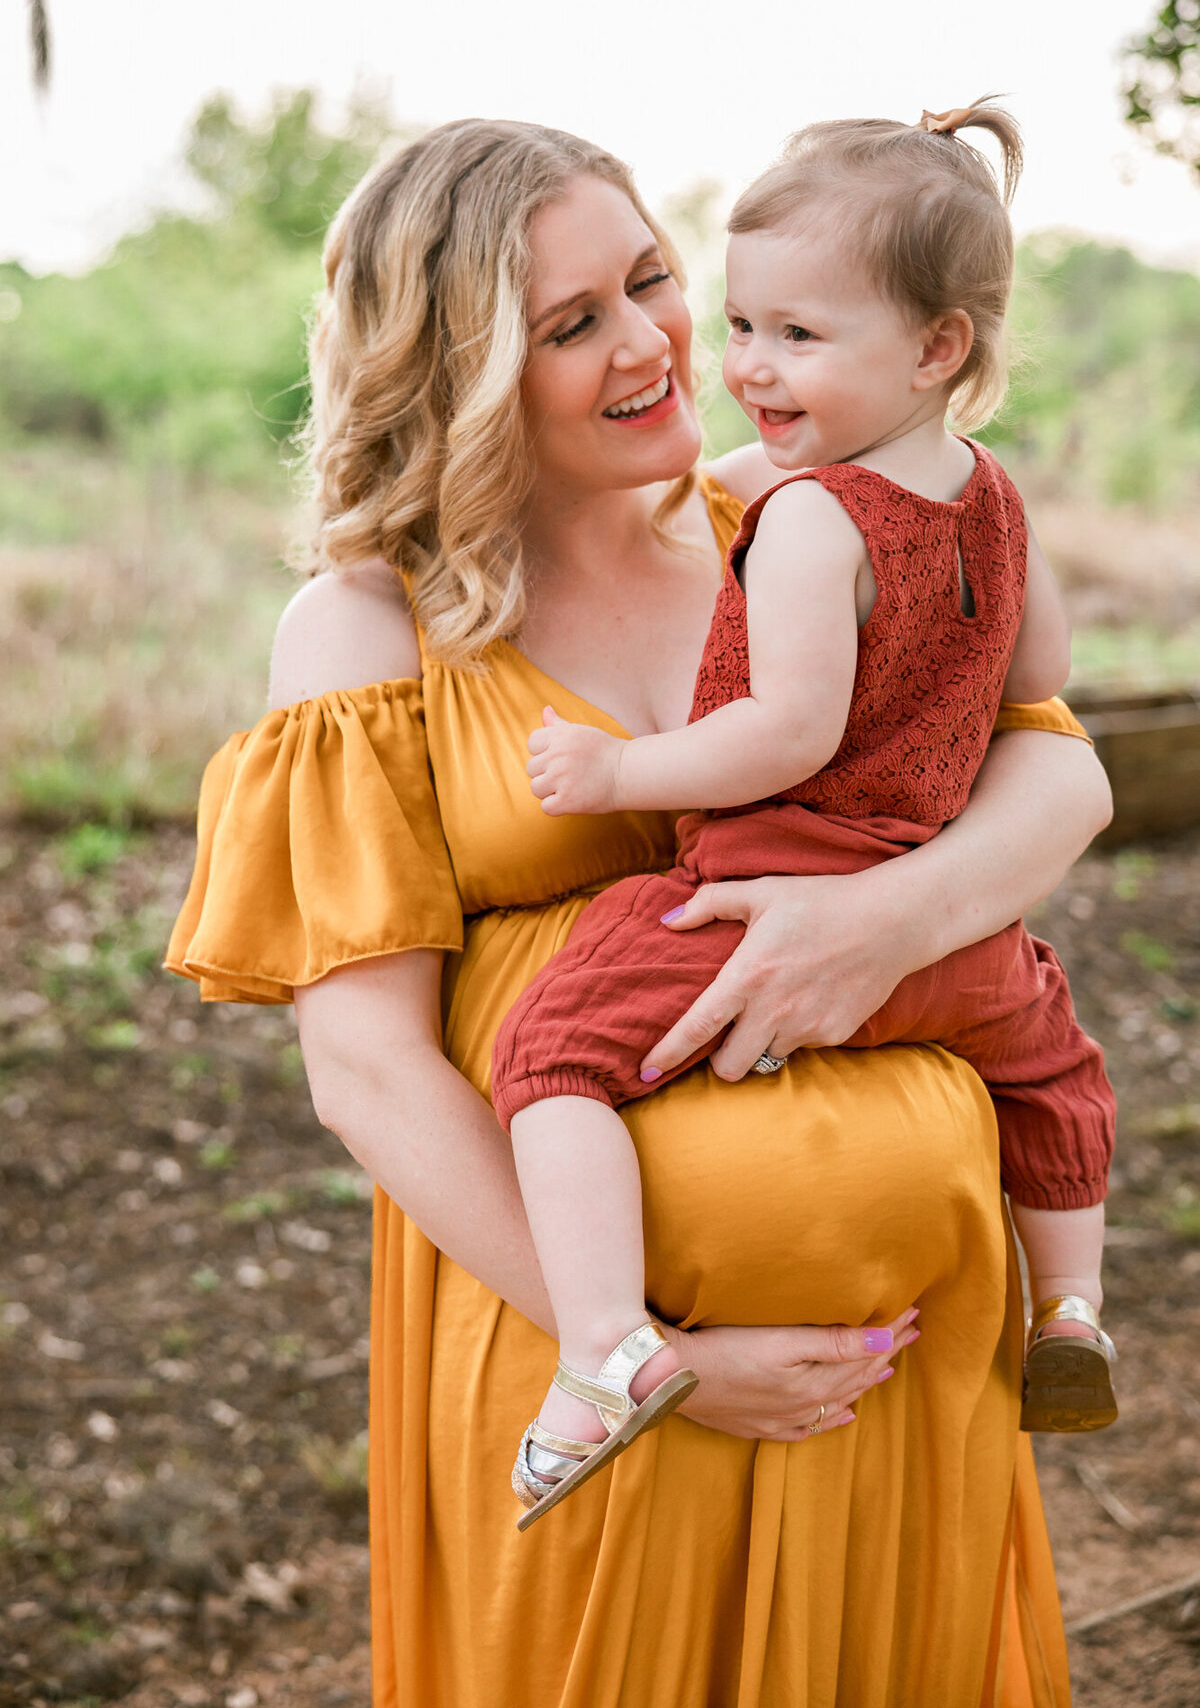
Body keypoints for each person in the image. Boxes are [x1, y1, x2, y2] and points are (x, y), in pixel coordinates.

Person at [166, 116, 1112, 1706]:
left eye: (653, 281)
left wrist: (880, 925)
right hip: (589, 1347)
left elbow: (1061, 780)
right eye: (569, 323)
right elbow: (369, 1070)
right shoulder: (365, 626)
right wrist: (659, 1359)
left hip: (904, 1358)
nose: (656, 343)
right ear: (456, 373)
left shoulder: (798, 514)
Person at [491, 102, 1117, 1529]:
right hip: (953, 908)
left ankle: (600, 1348)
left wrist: (615, 775)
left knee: (551, 1053)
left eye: (794, 336)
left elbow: (785, 733)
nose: (746, 368)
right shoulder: (996, 501)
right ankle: (1074, 1306)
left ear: (937, 345)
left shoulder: (810, 517)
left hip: (771, 881)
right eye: (745, 325)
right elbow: (1044, 678)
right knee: (1055, 1070)